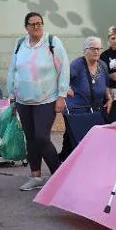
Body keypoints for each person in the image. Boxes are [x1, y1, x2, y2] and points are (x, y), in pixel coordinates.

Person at [6, 12, 70, 192]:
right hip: (23, 100)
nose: (36, 27)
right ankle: (35, 176)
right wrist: (12, 95)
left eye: (39, 24)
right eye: (32, 24)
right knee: (31, 138)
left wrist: (61, 95)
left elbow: (64, 68)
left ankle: (58, 175)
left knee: (42, 137)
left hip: (46, 98)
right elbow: (13, 69)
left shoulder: (52, 42)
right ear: (26, 27)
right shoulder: (20, 44)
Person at [61, 36, 112, 159]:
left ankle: (68, 160)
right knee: (77, 138)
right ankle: (69, 162)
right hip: (77, 110)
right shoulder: (77, 64)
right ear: (85, 50)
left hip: (96, 110)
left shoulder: (102, 65)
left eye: (99, 49)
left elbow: (105, 84)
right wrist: (66, 88)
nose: (97, 52)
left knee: (91, 139)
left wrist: (109, 97)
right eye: (93, 48)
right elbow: (63, 79)